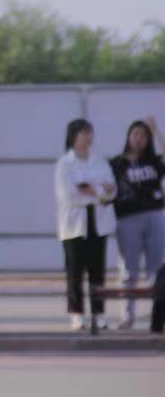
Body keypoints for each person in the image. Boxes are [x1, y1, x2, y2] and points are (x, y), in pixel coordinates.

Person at [55, 118, 117, 332]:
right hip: (74, 225)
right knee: (75, 271)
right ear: (74, 136)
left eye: (90, 132)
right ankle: (76, 314)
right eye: (84, 133)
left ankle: (99, 313)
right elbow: (69, 194)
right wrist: (98, 191)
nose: (88, 137)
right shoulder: (65, 163)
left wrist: (92, 190)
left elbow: (112, 189)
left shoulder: (99, 161)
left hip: (98, 221)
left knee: (97, 270)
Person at [108, 117, 164, 329]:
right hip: (128, 218)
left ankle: (157, 316)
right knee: (128, 269)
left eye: (144, 135)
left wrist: (156, 130)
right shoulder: (117, 163)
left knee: (156, 269)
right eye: (136, 134)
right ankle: (127, 315)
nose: (139, 139)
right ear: (128, 137)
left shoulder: (153, 162)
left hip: (155, 216)